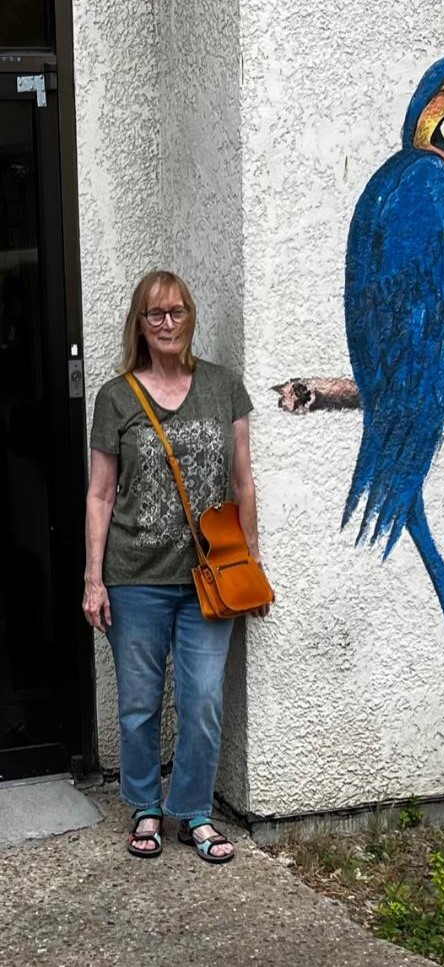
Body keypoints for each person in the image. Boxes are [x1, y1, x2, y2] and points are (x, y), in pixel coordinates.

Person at [82, 270, 268, 863]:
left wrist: (251, 561)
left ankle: (193, 812)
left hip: (209, 577)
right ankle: (145, 805)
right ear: (139, 324)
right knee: (139, 704)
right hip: (134, 576)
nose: (167, 324)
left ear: (191, 317)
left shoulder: (223, 386)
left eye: (177, 312)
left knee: (203, 701)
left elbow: (242, 480)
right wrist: (93, 578)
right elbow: (100, 494)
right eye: (155, 314)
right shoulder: (115, 397)